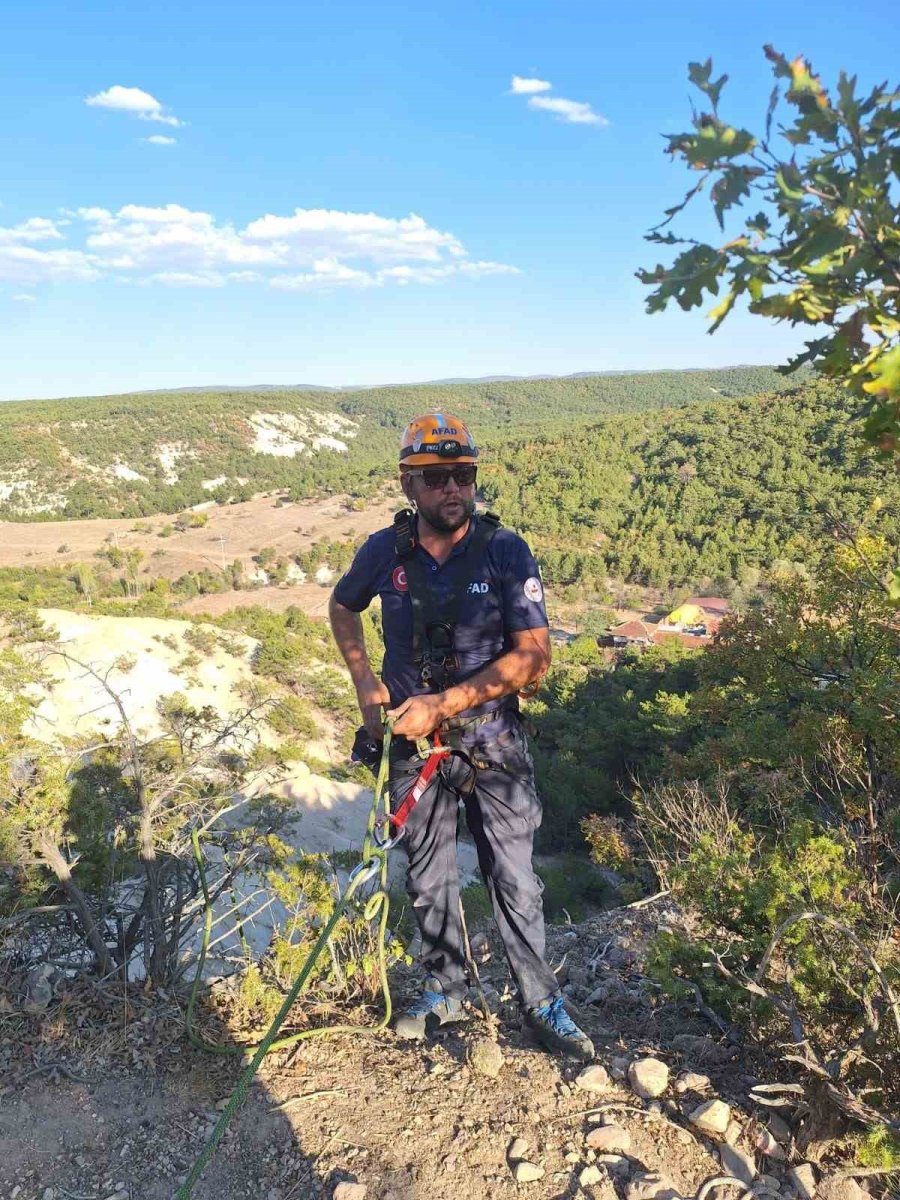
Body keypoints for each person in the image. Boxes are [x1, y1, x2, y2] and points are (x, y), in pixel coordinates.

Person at [328, 413, 593, 1059]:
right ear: (409, 486)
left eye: (463, 475)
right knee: (428, 874)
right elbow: (343, 604)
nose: (453, 488)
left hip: (490, 739)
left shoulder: (504, 551)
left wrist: (445, 701)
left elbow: (533, 656)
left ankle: (540, 1001)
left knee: (515, 877)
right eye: (437, 477)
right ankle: (443, 988)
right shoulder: (385, 552)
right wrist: (365, 682)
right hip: (414, 748)